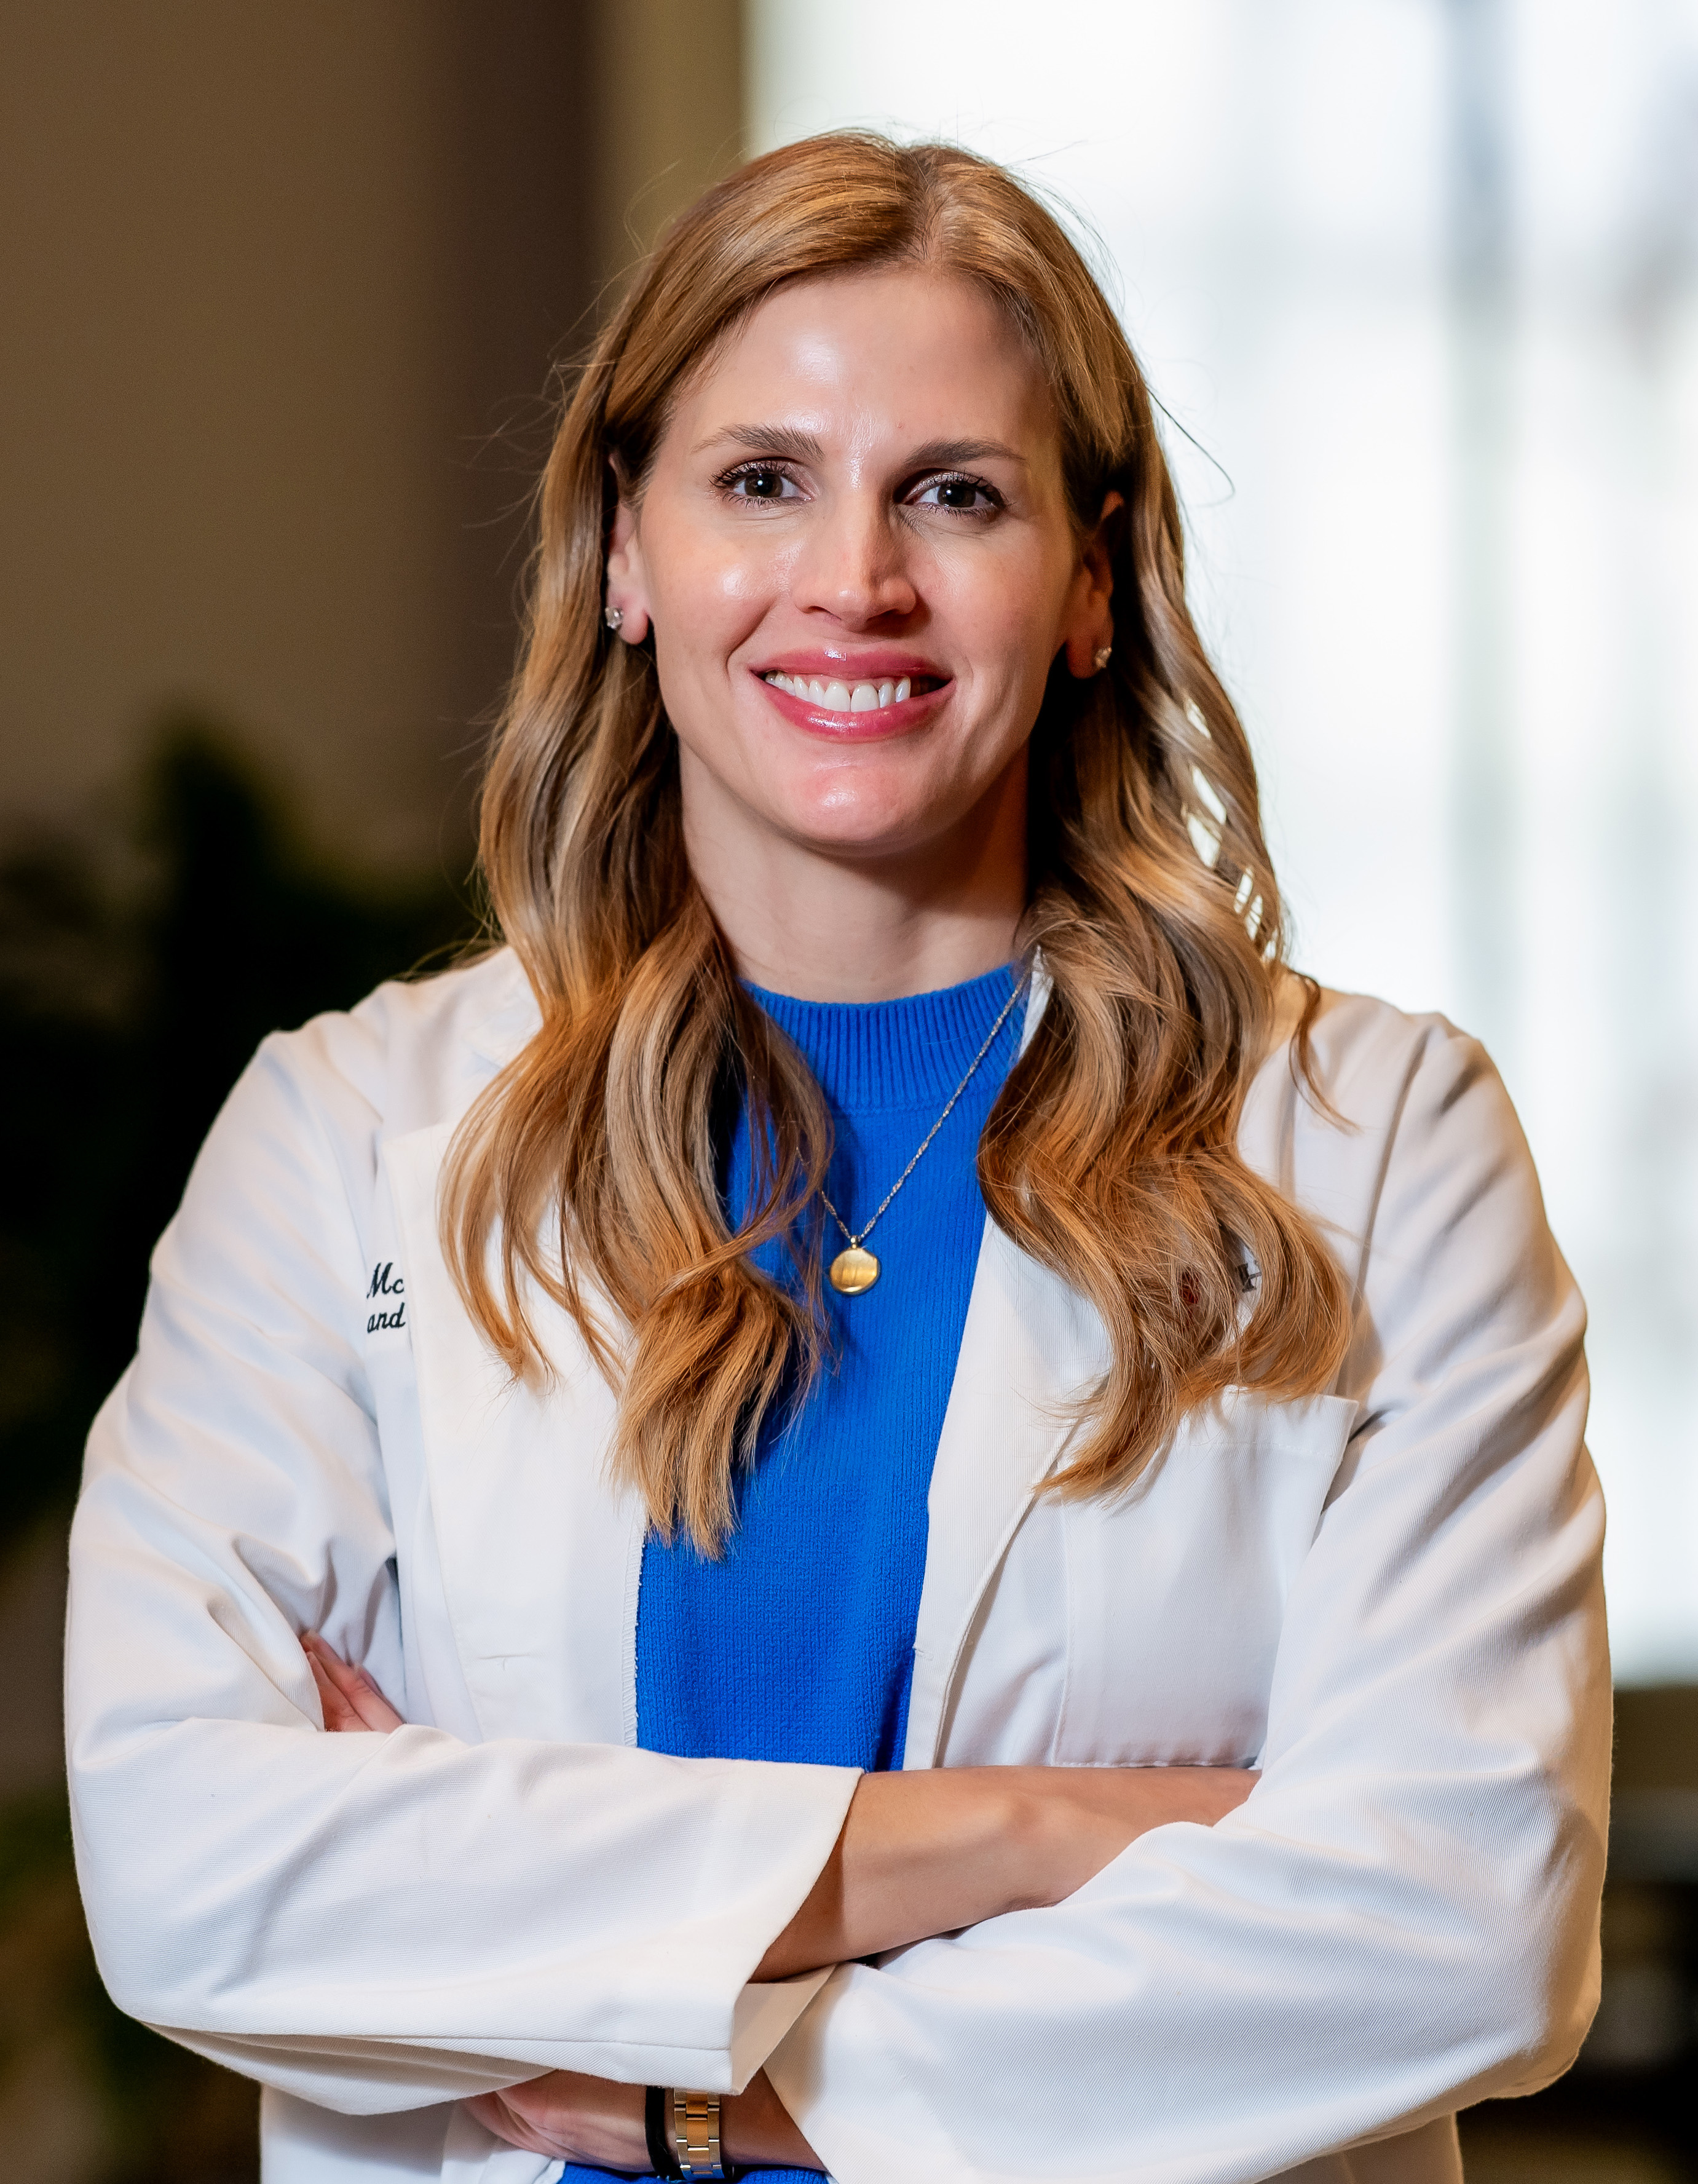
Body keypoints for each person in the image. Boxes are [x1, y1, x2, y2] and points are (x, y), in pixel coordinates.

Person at [66, 133, 1608, 2184]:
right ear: (626, 553)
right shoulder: (347, 1135)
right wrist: (1041, 1833)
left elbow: (1460, 1927)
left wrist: (717, 2095)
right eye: (760, 480)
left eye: (953, 494)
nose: (853, 580)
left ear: (1087, 581)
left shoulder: (1377, 1143)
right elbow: (194, 1868)